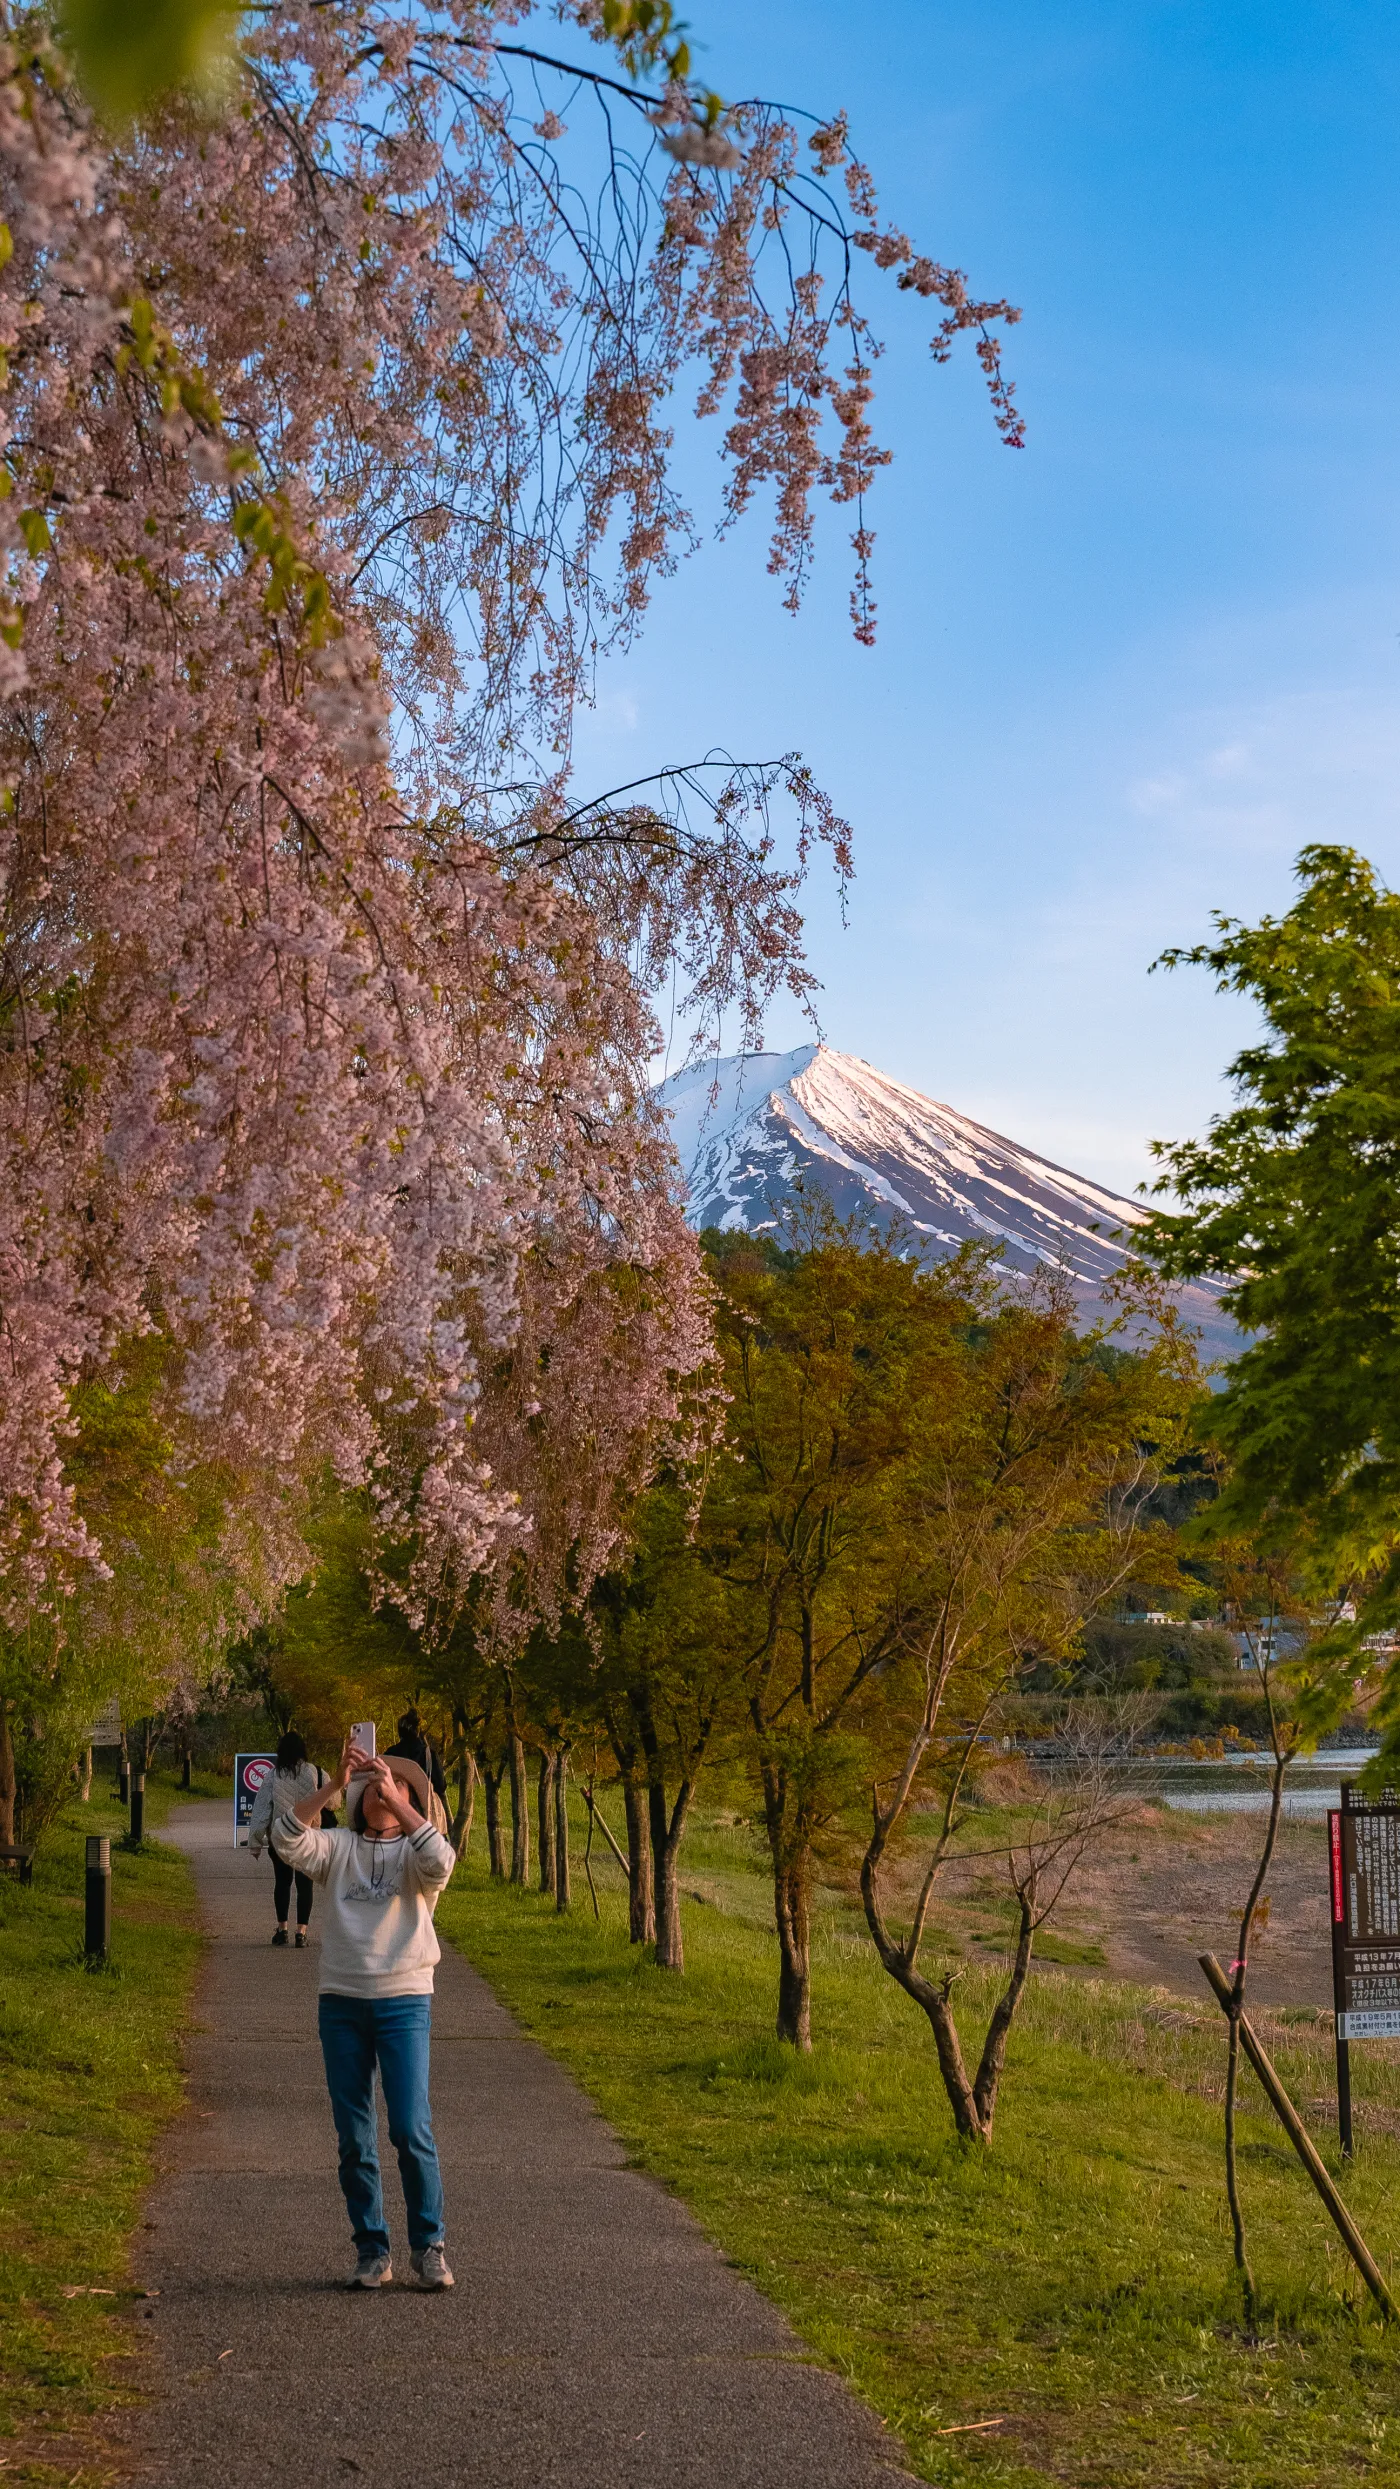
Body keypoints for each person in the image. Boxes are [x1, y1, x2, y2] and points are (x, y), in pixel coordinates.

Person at [274, 1731, 457, 2291]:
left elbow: (442, 1859)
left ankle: (429, 2245)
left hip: (404, 2000)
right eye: (375, 1782)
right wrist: (332, 1783)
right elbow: (286, 1837)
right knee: (354, 2135)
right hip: (343, 2002)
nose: (385, 1786)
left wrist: (400, 1801)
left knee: (409, 2127)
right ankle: (372, 2249)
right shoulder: (338, 1848)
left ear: (411, 1801)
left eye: (398, 1782)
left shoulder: (416, 1855)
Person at [247, 1730, 334, 1948]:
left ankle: (282, 1930)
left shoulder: (272, 1776)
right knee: (305, 1886)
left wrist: (255, 1842)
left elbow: (261, 1811)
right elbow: (334, 1803)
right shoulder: (317, 1773)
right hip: (308, 1838)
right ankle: (301, 1933)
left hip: (281, 1838)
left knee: (282, 1883)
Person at [386, 1706, 448, 1807]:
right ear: (418, 1731)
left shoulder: (390, 1754)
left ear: (399, 1732)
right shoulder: (429, 1755)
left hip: (395, 1811)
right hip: (422, 1814)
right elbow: (441, 1786)